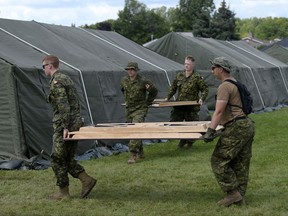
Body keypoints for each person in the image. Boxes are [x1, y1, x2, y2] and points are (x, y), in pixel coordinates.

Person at [202, 57, 255, 207]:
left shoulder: (225, 86)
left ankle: (233, 194)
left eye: (213, 68)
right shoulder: (235, 83)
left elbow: (218, 111)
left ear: (221, 69)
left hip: (236, 127)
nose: (212, 70)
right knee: (241, 163)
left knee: (218, 161)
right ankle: (239, 198)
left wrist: (210, 131)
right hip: (246, 125)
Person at [42, 55, 96, 200]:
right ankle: (86, 180)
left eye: (44, 66)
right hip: (74, 123)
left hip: (65, 125)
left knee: (57, 158)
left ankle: (63, 192)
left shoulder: (57, 81)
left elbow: (63, 104)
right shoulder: (66, 78)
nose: (44, 70)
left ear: (50, 66)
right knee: (66, 157)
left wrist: (65, 126)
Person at [166, 55, 208, 149]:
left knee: (192, 124)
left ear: (193, 65)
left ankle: (189, 142)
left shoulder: (197, 77)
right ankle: (182, 139)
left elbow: (205, 89)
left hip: (191, 106)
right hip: (180, 105)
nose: (186, 66)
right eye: (185, 64)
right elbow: (173, 88)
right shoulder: (179, 75)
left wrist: (202, 98)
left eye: (188, 64)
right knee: (175, 122)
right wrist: (167, 97)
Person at [121, 62, 158, 164]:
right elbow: (123, 90)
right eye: (128, 69)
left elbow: (154, 91)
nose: (130, 71)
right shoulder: (124, 80)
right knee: (132, 131)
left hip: (140, 109)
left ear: (136, 70)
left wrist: (148, 102)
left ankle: (133, 154)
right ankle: (140, 150)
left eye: (132, 69)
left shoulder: (143, 81)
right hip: (129, 109)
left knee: (135, 128)